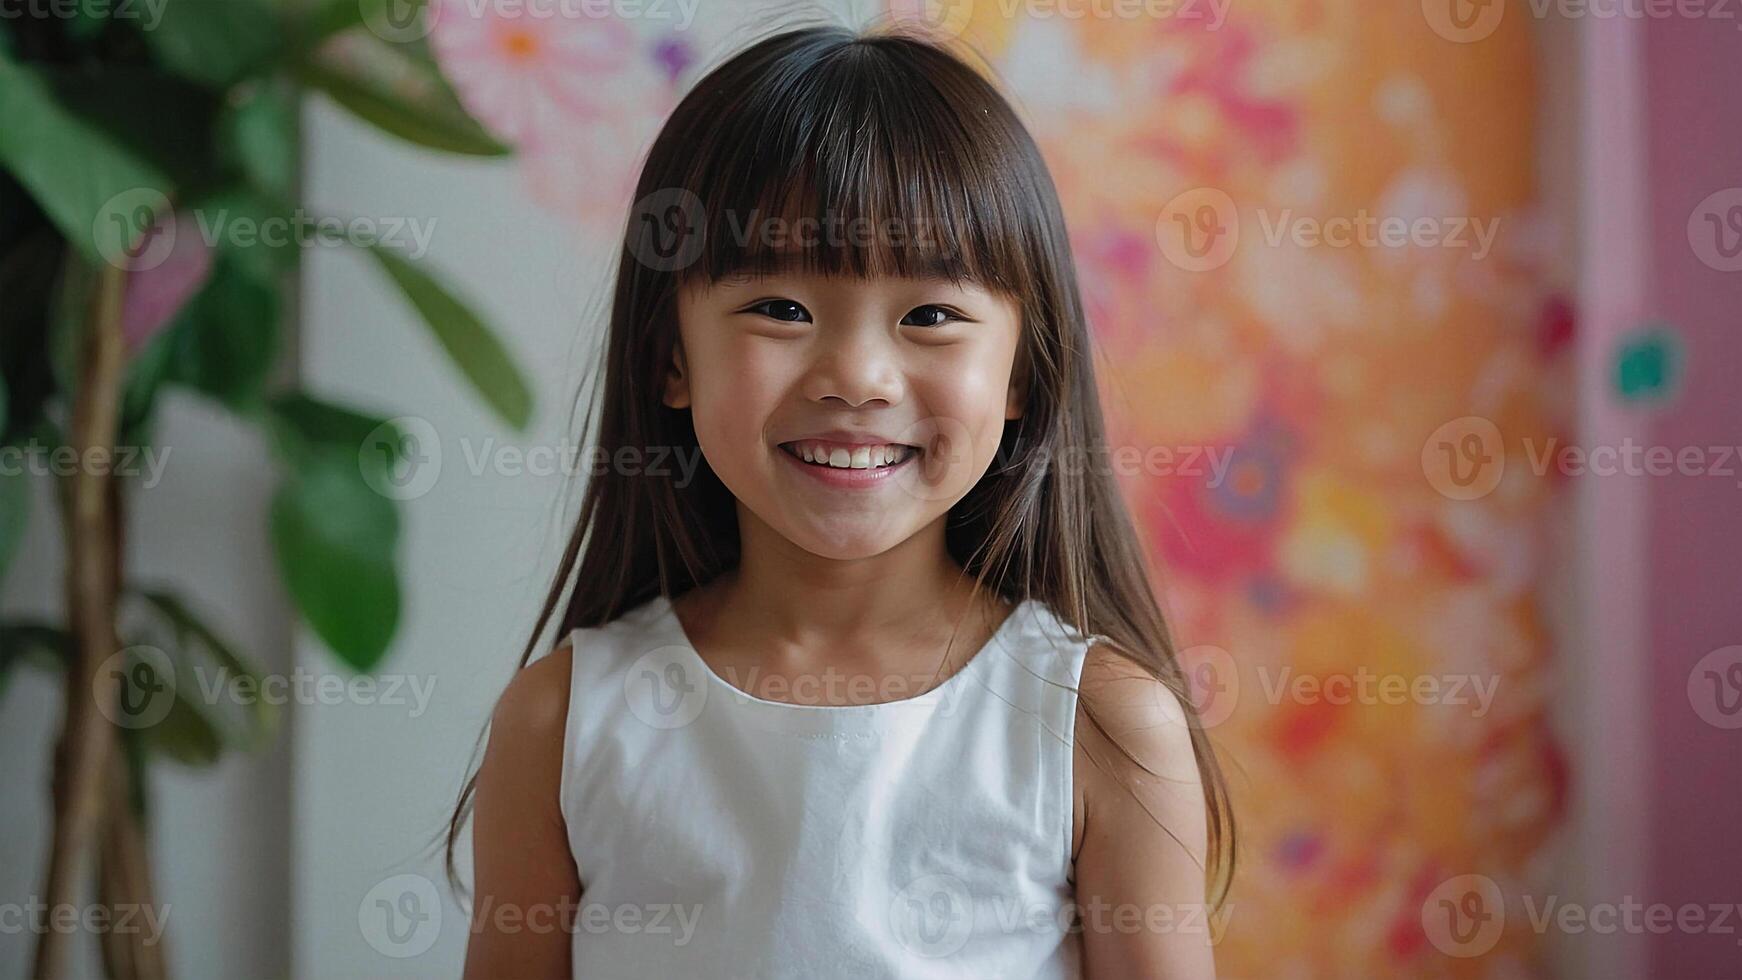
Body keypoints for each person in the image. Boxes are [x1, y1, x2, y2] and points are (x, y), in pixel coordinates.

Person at [451, 21, 1235, 979]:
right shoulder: (562, 723)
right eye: (781, 308)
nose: (858, 376)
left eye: (932, 316)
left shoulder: (1101, 727)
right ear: (670, 358)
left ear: (1023, 375)